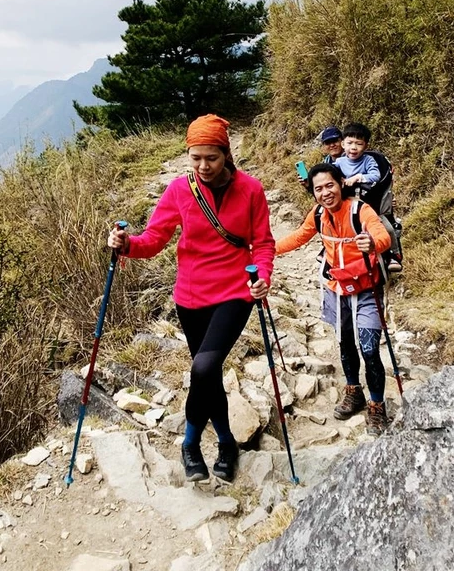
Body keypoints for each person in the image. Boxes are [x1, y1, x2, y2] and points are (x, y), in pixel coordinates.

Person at [108, 114, 275, 483]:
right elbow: (153, 240)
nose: (203, 166)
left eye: (211, 158)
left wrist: (262, 276)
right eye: (195, 158)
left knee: (202, 368)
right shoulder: (180, 191)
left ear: (226, 154)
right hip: (190, 295)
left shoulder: (251, 189)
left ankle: (190, 441)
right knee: (209, 373)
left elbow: (262, 243)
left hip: (235, 292)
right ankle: (228, 443)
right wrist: (125, 245)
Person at [275, 163, 391, 436]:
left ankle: (377, 405)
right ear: (313, 193)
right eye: (319, 188)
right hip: (336, 289)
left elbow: (382, 235)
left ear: (341, 183)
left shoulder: (360, 210)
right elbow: (297, 238)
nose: (325, 192)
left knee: (370, 349)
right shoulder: (317, 215)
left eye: (330, 185)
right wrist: (263, 249)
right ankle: (354, 391)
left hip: (365, 289)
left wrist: (373, 243)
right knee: (346, 343)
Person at [335, 122, 402, 273]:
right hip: (347, 206)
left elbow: (375, 176)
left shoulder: (368, 160)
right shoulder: (338, 162)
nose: (354, 147)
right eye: (350, 143)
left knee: (388, 229)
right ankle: (329, 253)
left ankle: (393, 254)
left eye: (359, 144)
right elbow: (331, 177)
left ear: (365, 146)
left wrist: (358, 177)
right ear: (343, 144)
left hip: (369, 205)